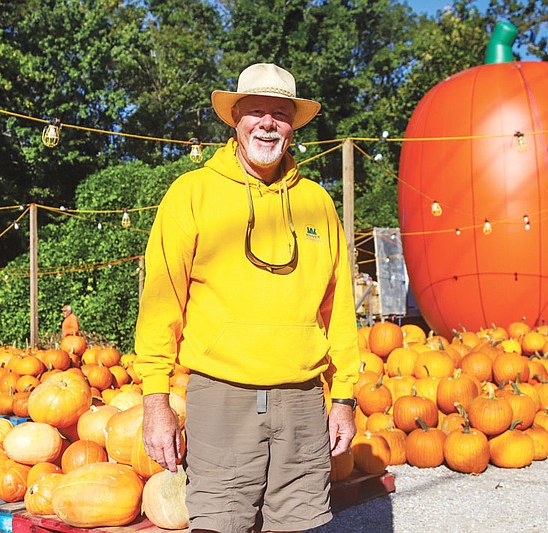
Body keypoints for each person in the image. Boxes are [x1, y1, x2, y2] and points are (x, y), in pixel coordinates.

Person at [134, 63, 360, 533]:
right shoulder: (190, 194)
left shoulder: (318, 202)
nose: (267, 123)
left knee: (303, 525)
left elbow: (338, 309)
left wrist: (344, 397)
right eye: (255, 110)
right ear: (234, 120)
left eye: (280, 113)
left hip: (302, 401)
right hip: (221, 397)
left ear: (293, 128)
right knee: (220, 524)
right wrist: (155, 402)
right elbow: (161, 303)